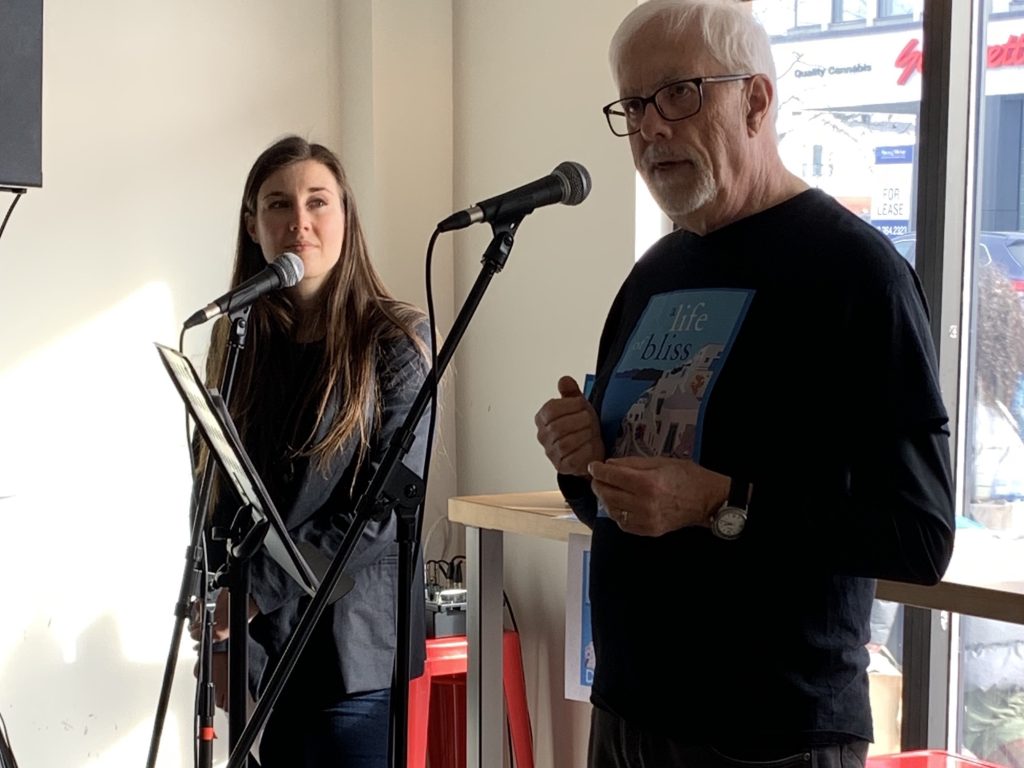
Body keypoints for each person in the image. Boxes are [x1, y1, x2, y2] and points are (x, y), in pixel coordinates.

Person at [533, 2, 955, 766]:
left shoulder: (858, 275)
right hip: (629, 712)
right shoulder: (654, 276)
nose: (651, 127)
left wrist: (718, 502)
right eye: (633, 105)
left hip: (774, 733)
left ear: (756, 101)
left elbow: (920, 536)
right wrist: (580, 465)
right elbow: (620, 507)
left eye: (678, 94)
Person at [189, 135, 431, 768]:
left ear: (346, 216)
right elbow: (216, 493)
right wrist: (211, 601)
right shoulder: (238, 341)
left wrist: (253, 593)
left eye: (318, 202)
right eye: (278, 205)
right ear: (253, 225)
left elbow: (378, 516)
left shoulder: (395, 342)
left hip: (350, 657)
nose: (300, 222)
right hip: (258, 651)